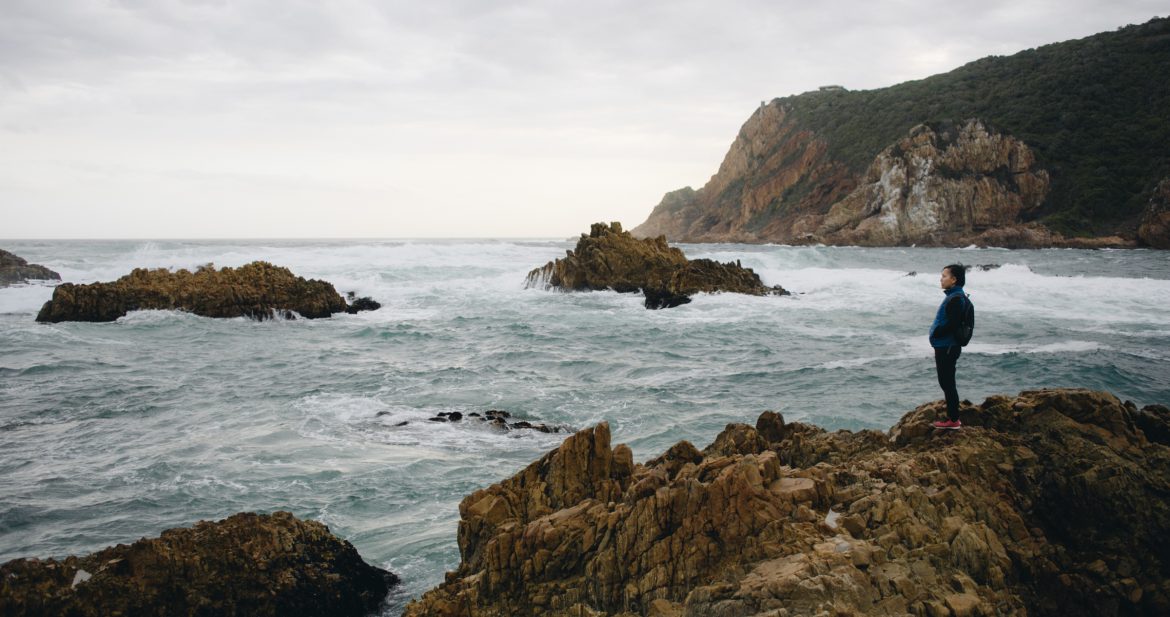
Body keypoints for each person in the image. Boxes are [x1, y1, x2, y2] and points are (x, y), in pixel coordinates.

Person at [929, 264, 967, 429]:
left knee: (947, 382)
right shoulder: (955, 296)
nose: (941, 279)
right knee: (946, 382)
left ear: (954, 279)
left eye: (944, 276)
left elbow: (952, 324)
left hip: (947, 346)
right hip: (946, 346)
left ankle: (953, 420)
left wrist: (937, 332)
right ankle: (953, 418)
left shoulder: (956, 298)